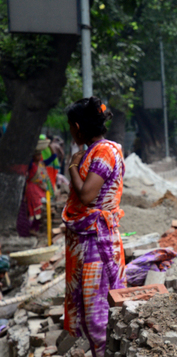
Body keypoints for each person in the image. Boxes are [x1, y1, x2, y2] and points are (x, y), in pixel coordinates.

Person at [62, 97, 126, 357]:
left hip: (96, 244)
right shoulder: (97, 150)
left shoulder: (103, 151)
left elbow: (87, 195)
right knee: (93, 315)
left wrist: (73, 167)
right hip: (90, 241)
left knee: (97, 317)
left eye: (70, 127)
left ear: (77, 126)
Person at [16, 137, 55, 237]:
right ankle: (33, 229)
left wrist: (49, 145)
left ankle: (35, 229)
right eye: (37, 154)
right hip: (32, 190)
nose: (39, 156)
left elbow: (54, 156)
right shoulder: (31, 165)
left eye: (40, 154)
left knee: (40, 209)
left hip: (40, 189)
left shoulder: (42, 164)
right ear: (33, 157)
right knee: (36, 209)